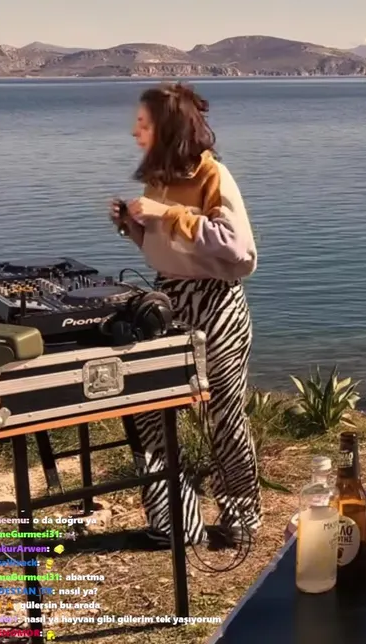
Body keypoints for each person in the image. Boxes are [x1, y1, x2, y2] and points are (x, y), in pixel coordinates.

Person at [109, 82, 261, 546]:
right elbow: (169, 251)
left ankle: (242, 517)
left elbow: (239, 250)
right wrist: (134, 227)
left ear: (168, 128)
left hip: (215, 306)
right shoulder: (158, 179)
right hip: (169, 302)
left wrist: (168, 214)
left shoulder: (213, 175)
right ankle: (175, 523)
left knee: (224, 417)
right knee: (151, 411)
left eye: (143, 123)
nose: (135, 131)